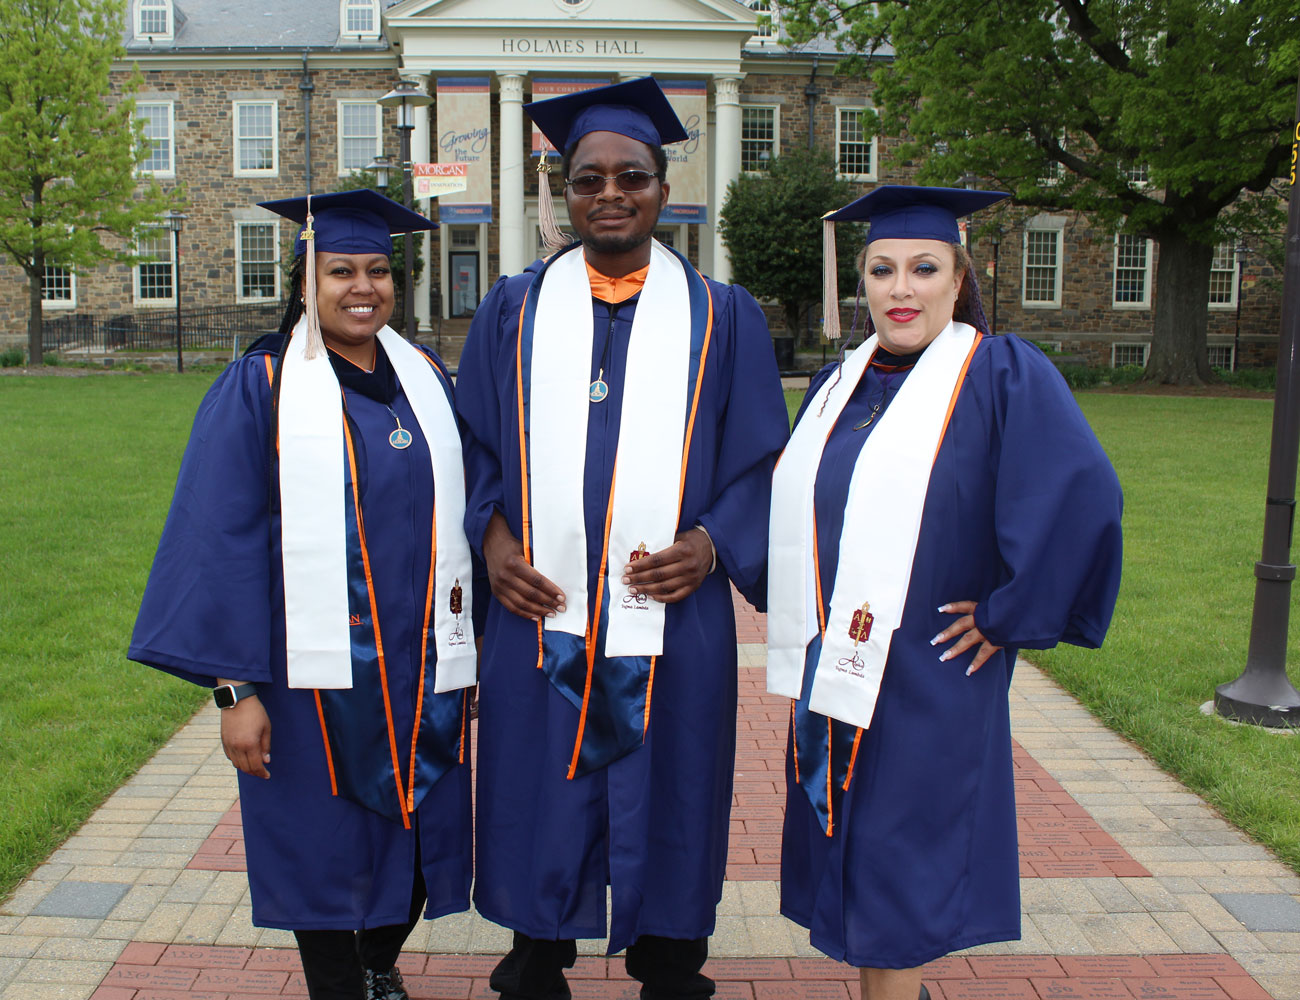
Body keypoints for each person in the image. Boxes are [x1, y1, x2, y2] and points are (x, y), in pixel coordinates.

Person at [454, 77, 790, 1000]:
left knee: (675, 774)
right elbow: (471, 445)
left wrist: (714, 542)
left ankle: (671, 958)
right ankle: (536, 949)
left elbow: (766, 460)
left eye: (631, 176)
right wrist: (493, 542)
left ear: (663, 189)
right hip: (540, 603)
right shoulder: (512, 311)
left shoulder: (723, 315)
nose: (610, 193)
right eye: (588, 178)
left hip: (673, 612)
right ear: (564, 192)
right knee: (536, 773)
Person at [766, 186, 1123, 1000]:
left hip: (930, 670)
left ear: (959, 280)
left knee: (900, 855)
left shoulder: (998, 374)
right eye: (882, 269)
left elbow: (1081, 493)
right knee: (862, 848)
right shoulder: (839, 386)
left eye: (924, 268)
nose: (902, 288)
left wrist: (1008, 614)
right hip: (839, 659)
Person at [128, 189, 481, 1000]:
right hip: (311, 680)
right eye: (340, 271)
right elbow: (219, 539)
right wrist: (234, 690)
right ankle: (338, 983)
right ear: (304, 284)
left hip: (421, 667)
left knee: (418, 836)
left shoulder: (424, 377)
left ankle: (378, 961)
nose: (363, 287)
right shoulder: (263, 385)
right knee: (321, 845)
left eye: (378, 271)